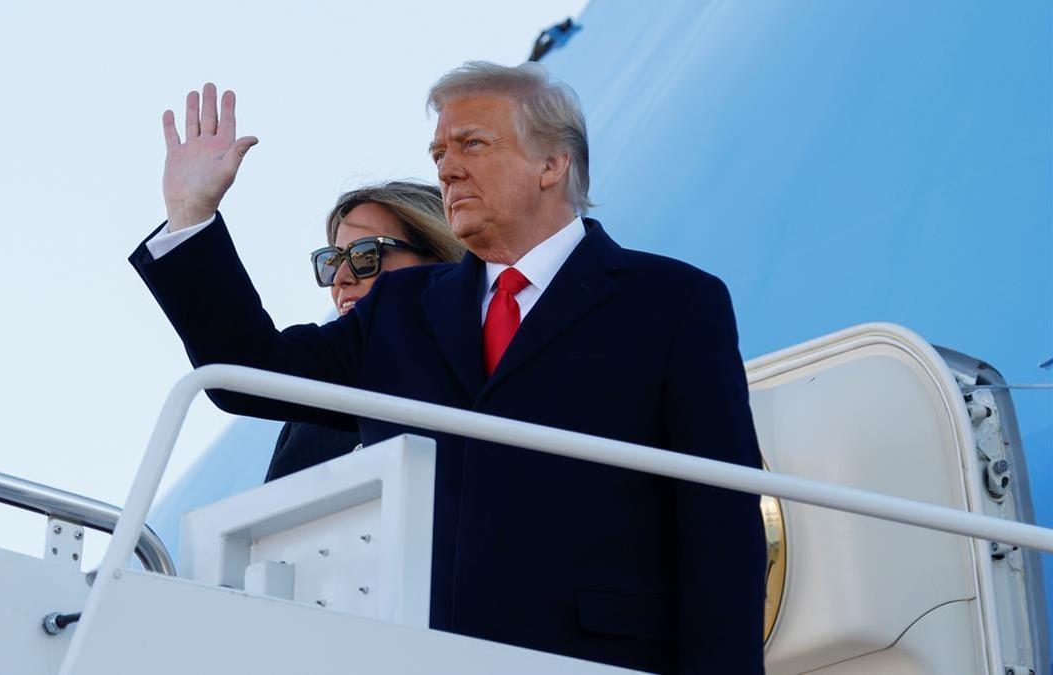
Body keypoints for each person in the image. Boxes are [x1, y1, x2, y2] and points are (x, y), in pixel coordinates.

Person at [132, 65, 765, 674]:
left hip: (594, 656)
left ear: (553, 163)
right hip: (415, 655)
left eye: (472, 143)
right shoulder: (402, 309)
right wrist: (193, 216)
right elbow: (252, 371)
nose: (449, 168)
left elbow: (719, 523)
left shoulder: (673, 301)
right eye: (438, 154)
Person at [265, 182, 464, 481]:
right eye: (332, 262)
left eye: (364, 256)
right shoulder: (306, 420)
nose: (341, 279)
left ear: (438, 260)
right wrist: (191, 212)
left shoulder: (487, 369)